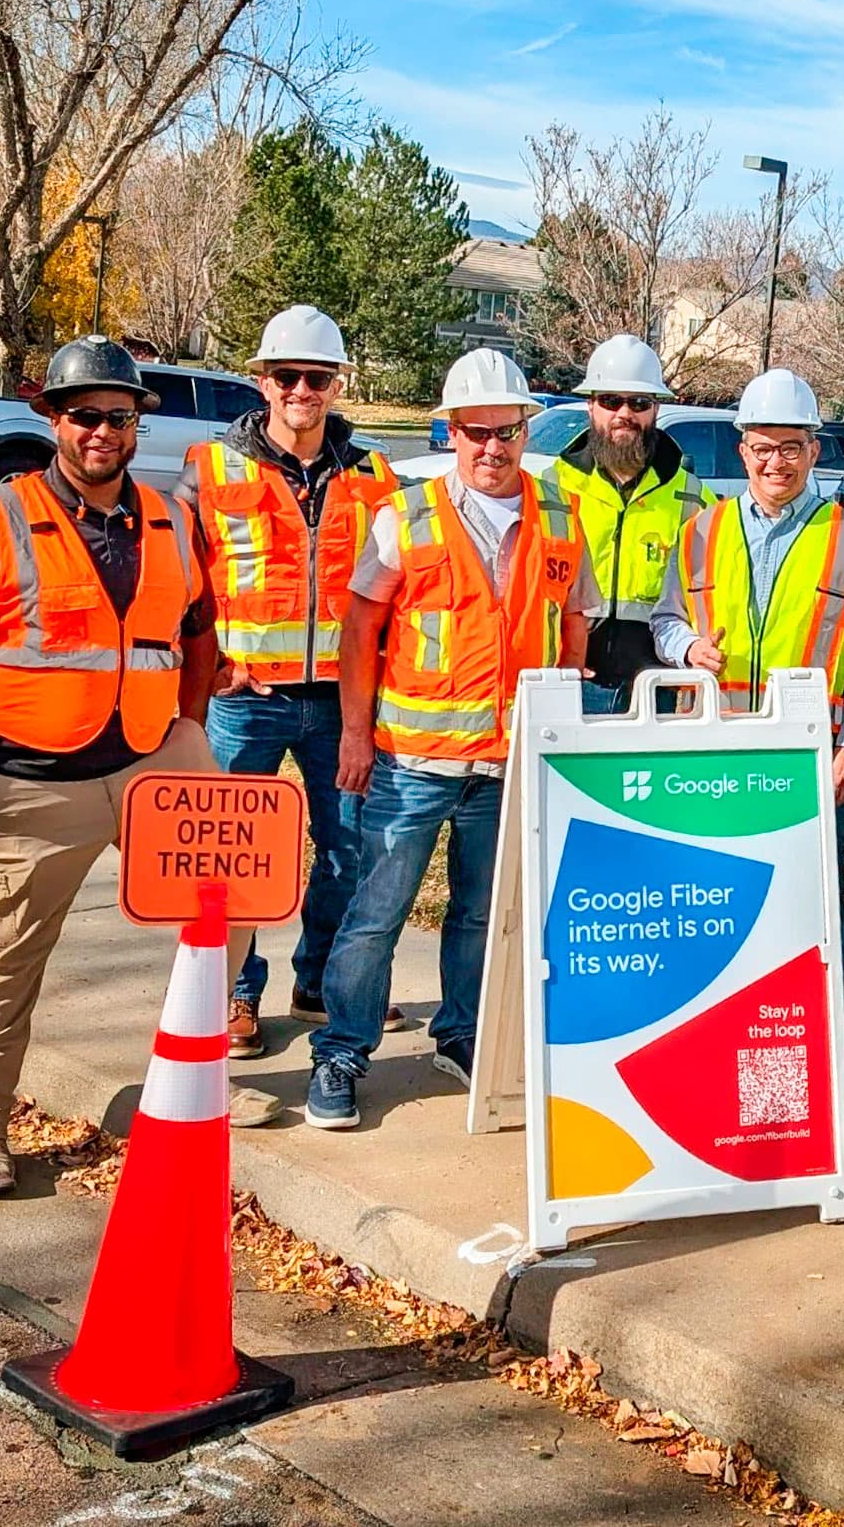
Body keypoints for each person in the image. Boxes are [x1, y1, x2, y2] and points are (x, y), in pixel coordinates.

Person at [0, 336, 279, 1198]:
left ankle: (190, 1081)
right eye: (84, 416)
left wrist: (187, 731)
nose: (102, 431)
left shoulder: (166, 518)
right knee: (9, 954)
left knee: (232, 900)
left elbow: (197, 631)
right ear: (54, 421)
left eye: (118, 416)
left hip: (150, 758)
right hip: (27, 780)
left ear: (136, 422)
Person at [306, 347, 598, 1129]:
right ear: (452, 431)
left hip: (508, 763)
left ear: (525, 429)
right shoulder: (405, 515)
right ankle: (341, 1050)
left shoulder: (563, 516)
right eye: (476, 432)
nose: (493, 448)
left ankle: (462, 1033)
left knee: (480, 914)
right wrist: (356, 736)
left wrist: (558, 724)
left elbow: (574, 627)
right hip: (411, 761)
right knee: (377, 909)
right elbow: (360, 627)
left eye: (507, 431)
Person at [179, 304, 400, 1058]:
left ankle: (320, 982)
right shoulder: (211, 467)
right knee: (233, 854)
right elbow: (178, 585)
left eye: (317, 376)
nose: (301, 388)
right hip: (246, 703)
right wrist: (210, 670)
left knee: (346, 849)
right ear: (262, 382)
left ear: (337, 384)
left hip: (341, 699)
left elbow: (400, 589)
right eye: (287, 375)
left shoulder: (374, 474)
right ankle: (239, 996)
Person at [652, 368, 844, 988]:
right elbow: (666, 620)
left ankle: (813, 1028)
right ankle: (716, 1015)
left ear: (814, 450)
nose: (776, 462)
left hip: (804, 752)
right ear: (742, 450)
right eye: (762, 447)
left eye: (790, 447)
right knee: (711, 893)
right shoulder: (701, 529)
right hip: (711, 746)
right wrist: (688, 649)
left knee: (806, 899)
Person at [552, 334, 713, 714]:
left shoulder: (694, 499)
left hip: (657, 690)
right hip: (566, 683)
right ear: (590, 406)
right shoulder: (551, 488)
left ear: (655, 409)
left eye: (638, 403)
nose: (624, 413)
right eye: (611, 401)